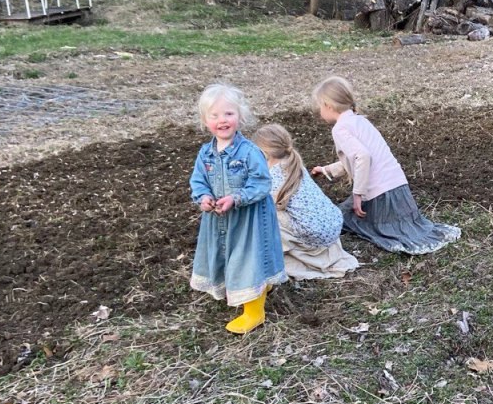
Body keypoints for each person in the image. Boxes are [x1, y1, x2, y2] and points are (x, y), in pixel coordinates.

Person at [309, 76, 461, 254]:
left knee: (341, 218)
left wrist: (358, 194)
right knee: (345, 215)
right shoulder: (360, 121)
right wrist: (326, 170)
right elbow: (356, 159)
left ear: (328, 105)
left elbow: (363, 157)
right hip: (398, 188)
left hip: (380, 195)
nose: (320, 112)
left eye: (320, 107)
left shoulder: (340, 128)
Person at [189, 84, 287, 333]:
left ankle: (255, 312)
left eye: (228, 114)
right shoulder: (205, 154)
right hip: (218, 219)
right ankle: (255, 288)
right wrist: (203, 197)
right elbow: (198, 180)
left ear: (240, 116)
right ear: (205, 121)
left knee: (248, 259)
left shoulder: (249, 152)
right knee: (228, 256)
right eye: (215, 115)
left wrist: (237, 198)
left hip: (248, 219)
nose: (222, 120)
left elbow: (262, 183)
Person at [252, 123, 360, 280]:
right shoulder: (294, 164)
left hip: (315, 235)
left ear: (262, 154)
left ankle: (283, 254)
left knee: (264, 214)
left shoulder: (272, 177)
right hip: (334, 223)